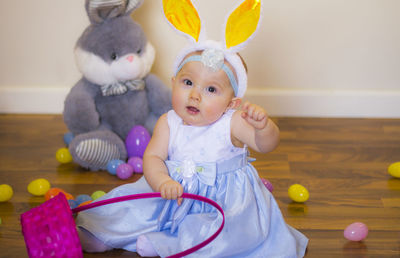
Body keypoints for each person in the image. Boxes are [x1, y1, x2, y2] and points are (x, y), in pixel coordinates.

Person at [76, 0, 308, 256]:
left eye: (211, 89)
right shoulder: (169, 122)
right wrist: (161, 180)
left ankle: (167, 243)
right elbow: (153, 157)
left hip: (223, 202)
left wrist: (263, 127)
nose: (195, 95)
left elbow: (266, 145)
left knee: (222, 230)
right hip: (172, 194)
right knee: (133, 205)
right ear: (173, 82)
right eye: (188, 82)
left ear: (232, 103)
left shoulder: (232, 122)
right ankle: (104, 233)